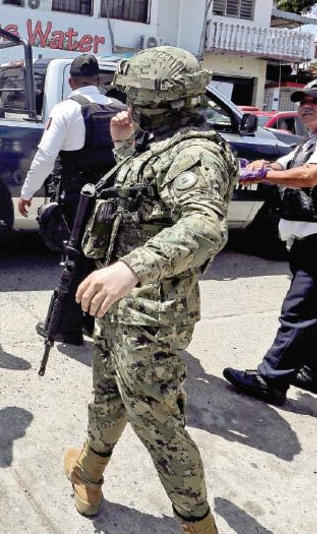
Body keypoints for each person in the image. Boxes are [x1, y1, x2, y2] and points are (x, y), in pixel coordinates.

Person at [63, 47, 237, 534]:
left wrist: (129, 270)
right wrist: (124, 147)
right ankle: (88, 474)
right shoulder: (162, 143)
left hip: (152, 312)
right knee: (107, 395)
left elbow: (205, 226)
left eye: (132, 100)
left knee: (157, 423)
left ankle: (196, 523)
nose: (126, 107)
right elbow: (145, 204)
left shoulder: (195, 152)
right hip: (121, 307)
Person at [223, 79, 317, 405]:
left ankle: (270, 380)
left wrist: (259, 175)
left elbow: (309, 176)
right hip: (314, 240)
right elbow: (286, 164)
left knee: (300, 313)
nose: (307, 104)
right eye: (303, 99)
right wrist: (266, 165)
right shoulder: (316, 138)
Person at [18, 53, 125, 345]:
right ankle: (92, 321)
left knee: (74, 261)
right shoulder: (120, 108)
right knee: (102, 259)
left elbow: (45, 156)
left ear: (71, 81)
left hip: (78, 200)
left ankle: (65, 328)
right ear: (98, 80)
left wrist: (27, 193)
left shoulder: (67, 108)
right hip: (112, 201)